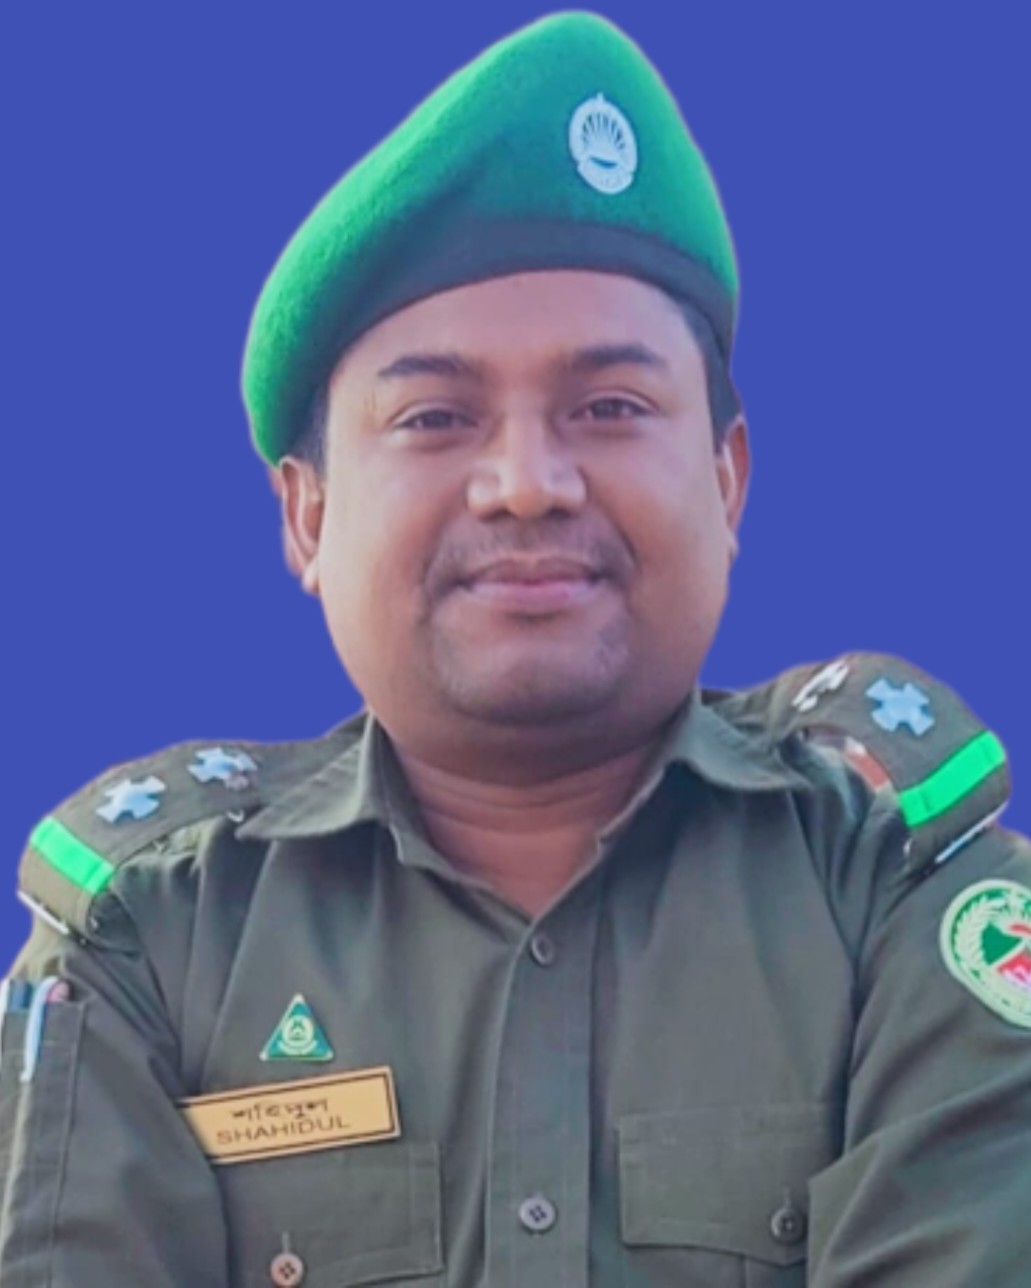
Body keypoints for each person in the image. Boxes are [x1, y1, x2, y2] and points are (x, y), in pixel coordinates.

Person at [2, 12, 1029, 1287]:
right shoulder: (152, 936)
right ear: (307, 516)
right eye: (435, 417)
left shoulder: (899, 886)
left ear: (726, 478)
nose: (527, 483)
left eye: (608, 407)